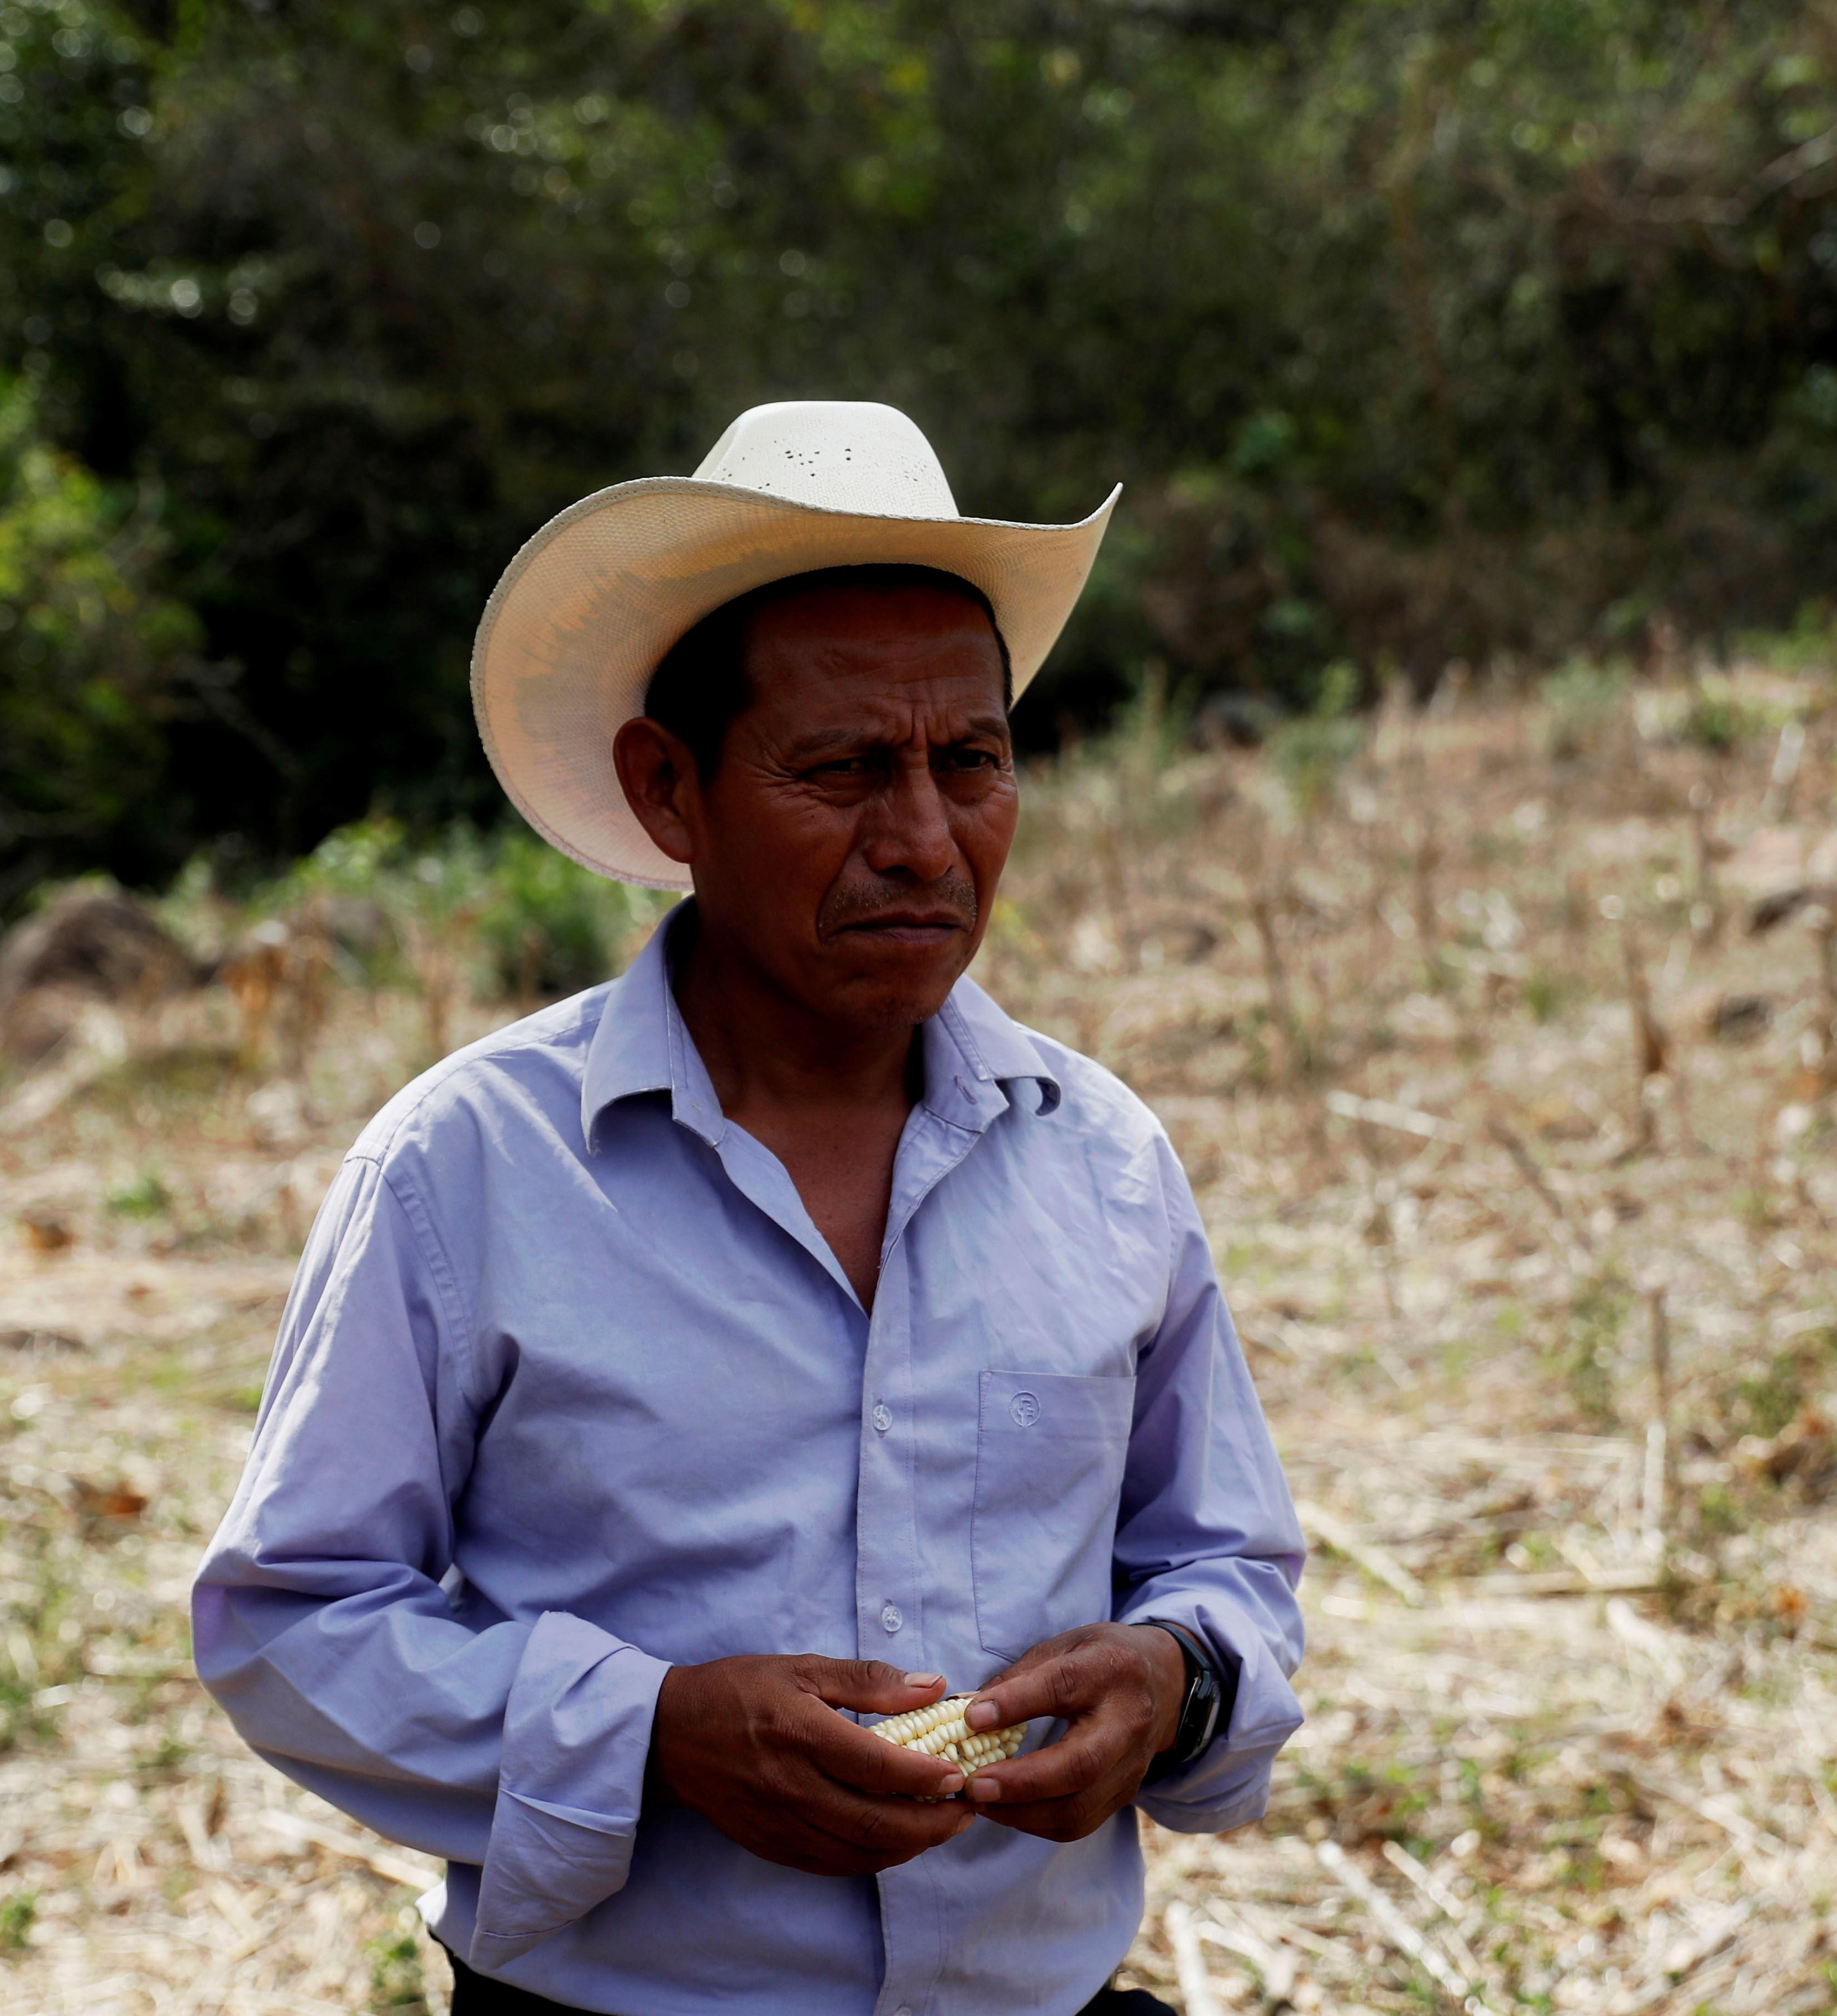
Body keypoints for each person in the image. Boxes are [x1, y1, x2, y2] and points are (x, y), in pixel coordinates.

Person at [192, 402, 1306, 2016]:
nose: (924, 839)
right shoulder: (470, 1169)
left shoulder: (1101, 1157)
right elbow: (292, 1624)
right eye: (845, 769)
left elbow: (1227, 1562)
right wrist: (649, 1736)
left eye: (972, 762)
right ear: (670, 794)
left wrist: (1176, 1680)